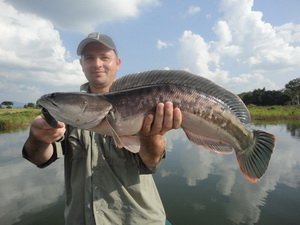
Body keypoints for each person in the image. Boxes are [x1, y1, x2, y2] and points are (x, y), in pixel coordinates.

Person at [22, 32, 182, 225]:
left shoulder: (149, 104)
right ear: (82, 64)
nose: (97, 64)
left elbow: (151, 162)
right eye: (89, 58)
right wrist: (38, 138)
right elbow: (39, 158)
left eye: (104, 57)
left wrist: (150, 136)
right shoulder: (67, 114)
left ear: (118, 63)